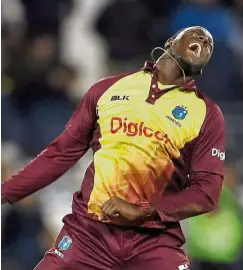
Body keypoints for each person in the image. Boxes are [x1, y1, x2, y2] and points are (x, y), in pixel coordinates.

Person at [1, 26, 225, 270]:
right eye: (197, 35)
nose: (204, 41)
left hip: (154, 243)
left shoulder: (207, 114)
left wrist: (143, 211)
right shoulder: (107, 89)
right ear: (171, 41)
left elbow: (206, 194)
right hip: (89, 235)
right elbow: (59, 154)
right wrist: (4, 192)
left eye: (209, 45)